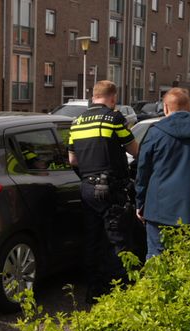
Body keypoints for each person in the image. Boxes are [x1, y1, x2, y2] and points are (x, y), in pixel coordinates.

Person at [68, 80, 139, 303]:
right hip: (111, 188)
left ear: (93, 96)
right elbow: (135, 150)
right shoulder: (115, 118)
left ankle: (93, 290)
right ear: (113, 98)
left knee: (92, 238)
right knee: (117, 238)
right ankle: (119, 291)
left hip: (87, 188)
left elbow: (72, 159)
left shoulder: (76, 122)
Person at [135, 88, 190, 258]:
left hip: (158, 209)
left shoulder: (156, 132)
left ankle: (156, 286)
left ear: (166, 108)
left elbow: (143, 170)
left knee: (158, 258)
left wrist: (140, 202)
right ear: (189, 107)